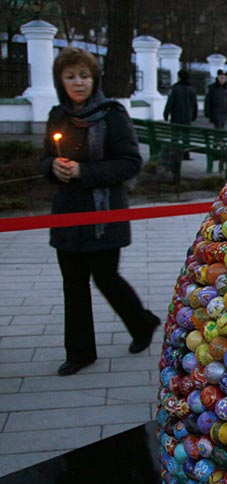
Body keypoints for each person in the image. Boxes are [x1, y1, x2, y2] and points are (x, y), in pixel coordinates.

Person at [39, 47, 161, 376]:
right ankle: (79, 353)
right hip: (67, 214)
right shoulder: (57, 115)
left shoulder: (112, 114)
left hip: (103, 216)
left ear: (95, 79)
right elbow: (45, 157)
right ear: (60, 81)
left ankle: (141, 323)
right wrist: (53, 167)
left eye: (84, 75)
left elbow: (130, 162)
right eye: (70, 77)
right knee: (73, 283)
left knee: (106, 278)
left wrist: (84, 172)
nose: (78, 82)